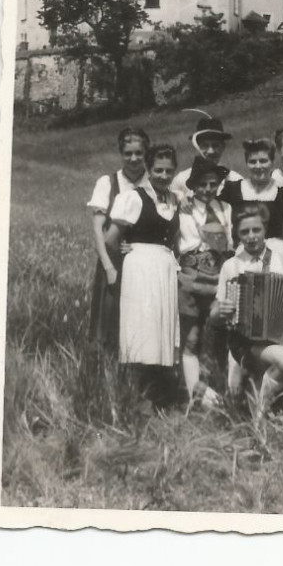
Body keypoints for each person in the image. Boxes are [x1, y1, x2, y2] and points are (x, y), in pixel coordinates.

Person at [211, 203, 283, 418]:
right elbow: (215, 315)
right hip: (245, 342)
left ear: (265, 229)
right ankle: (262, 409)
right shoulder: (231, 266)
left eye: (256, 230)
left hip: (280, 337)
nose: (251, 236)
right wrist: (220, 311)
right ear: (237, 234)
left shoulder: (281, 259)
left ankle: (261, 410)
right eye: (244, 232)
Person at [106, 143, 181, 392]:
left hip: (164, 268)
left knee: (160, 326)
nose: (163, 176)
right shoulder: (133, 199)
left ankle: (157, 390)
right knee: (142, 324)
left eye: (169, 171)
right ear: (148, 169)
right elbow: (110, 238)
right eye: (158, 170)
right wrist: (126, 251)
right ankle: (136, 392)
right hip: (140, 270)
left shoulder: (174, 200)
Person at [86, 127, 150, 358]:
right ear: (121, 154)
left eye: (139, 153)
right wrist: (109, 267)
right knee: (108, 323)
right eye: (128, 153)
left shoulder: (154, 182)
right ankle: (105, 379)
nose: (133, 159)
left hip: (144, 265)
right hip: (113, 264)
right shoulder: (108, 182)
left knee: (140, 324)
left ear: (146, 153)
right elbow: (97, 229)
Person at [178, 157, 234, 408]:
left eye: (213, 184)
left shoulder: (224, 209)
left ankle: (221, 390)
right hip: (191, 276)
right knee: (192, 336)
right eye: (203, 184)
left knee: (218, 333)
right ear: (193, 185)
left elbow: (229, 242)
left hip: (218, 276)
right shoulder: (183, 208)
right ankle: (194, 394)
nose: (208, 189)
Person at [219, 137, 283, 238]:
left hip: (274, 250)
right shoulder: (232, 190)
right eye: (252, 162)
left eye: (263, 161)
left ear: (272, 162)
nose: (258, 166)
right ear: (246, 163)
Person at [171, 113, 241, 203]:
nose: (210, 151)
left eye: (215, 146)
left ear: (223, 147)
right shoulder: (181, 180)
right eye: (205, 145)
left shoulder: (234, 179)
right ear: (197, 147)